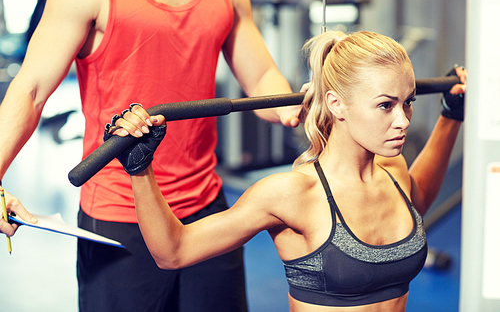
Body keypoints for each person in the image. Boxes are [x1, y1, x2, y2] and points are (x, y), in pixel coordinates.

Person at [108, 30, 466, 311]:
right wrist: (141, 169)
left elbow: (416, 199)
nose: (402, 120)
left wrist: (450, 116)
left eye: (408, 103)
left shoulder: (393, 170)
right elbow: (174, 252)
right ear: (336, 103)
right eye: (385, 106)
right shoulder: (291, 194)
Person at [0, 0, 303, 311]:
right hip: (120, 214)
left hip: (206, 209)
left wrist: (291, 106)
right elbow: (31, 92)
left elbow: (261, 77)